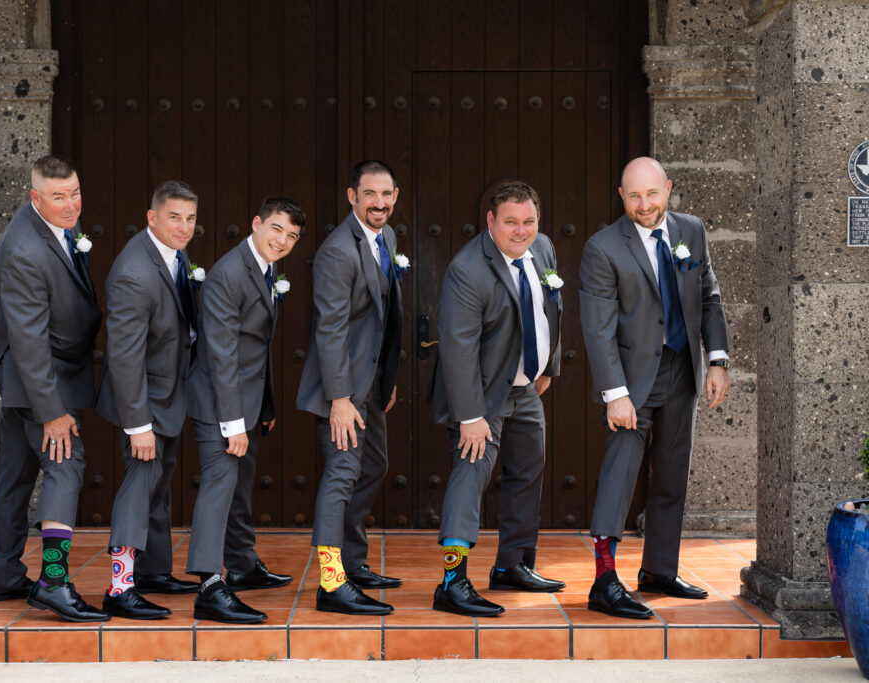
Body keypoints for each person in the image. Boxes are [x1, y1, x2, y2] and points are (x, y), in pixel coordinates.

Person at [579, 156, 730, 619]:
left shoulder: (691, 230)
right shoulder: (602, 248)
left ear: (668, 187)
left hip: (682, 371)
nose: (645, 205)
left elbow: (709, 296)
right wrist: (615, 392)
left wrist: (717, 360)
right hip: (631, 380)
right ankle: (605, 579)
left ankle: (659, 570)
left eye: (652, 193)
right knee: (620, 474)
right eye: (634, 196)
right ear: (621, 196)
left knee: (671, 475)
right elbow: (598, 329)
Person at [431, 180, 565, 617]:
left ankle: (513, 564)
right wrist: (471, 416)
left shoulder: (542, 248)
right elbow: (458, 348)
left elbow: (551, 307)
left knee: (529, 469)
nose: (520, 231)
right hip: (482, 395)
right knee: (470, 476)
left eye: (528, 221)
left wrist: (547, 367)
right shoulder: (467, 270)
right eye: (510, 222)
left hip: (525, 387)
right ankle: (452, 582)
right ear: (491, 221)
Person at [0, 154, 107, 622]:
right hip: (38, 377)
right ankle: (53, 580)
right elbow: (29, 342)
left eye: (75, 192)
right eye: (59, 197)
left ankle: (4, 574)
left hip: (38, 372)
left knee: (15, 474)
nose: (71, 205)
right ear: (35, 197)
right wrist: (53, 411)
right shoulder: (22, 251)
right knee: (64, 464)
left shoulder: (56, 224)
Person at [184, 197, 305, 623]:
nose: (282, 240)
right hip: (219, 402)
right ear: (256, 223)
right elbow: (222, 355)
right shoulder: (227, 275)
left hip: (248, 401)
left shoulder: (266, 268)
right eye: (276, 229)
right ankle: (209, 585)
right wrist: (233, 424)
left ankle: (240, 563)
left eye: (291, 236)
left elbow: (257, 348)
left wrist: (265, 405)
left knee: (239, 484)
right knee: (219, 485)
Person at [296, 160, 404, 615]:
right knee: (341, 476)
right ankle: (331, 583)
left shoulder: (386, 238)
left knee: (373, 467)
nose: (379, 203)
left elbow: (381, 318)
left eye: (386, 194)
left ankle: (353, 563)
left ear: (394, 196)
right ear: (351, 196)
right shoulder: (338, 251)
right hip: (341, 391)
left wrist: (386, 380)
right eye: (369, 195)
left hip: (371, 387)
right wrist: (340, 399)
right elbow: (331, 329)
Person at [94, 181, 203, 619]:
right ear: (151, 217)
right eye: (174, 217)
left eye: (191, 218)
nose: (184, 227)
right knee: (140, 486)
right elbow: (123, 355)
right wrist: (137, 424)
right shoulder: (134, 272)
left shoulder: (174, 256)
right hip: (143, 403)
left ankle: (153, 572)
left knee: (159, 484)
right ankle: (119, 588)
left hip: (168, 393)